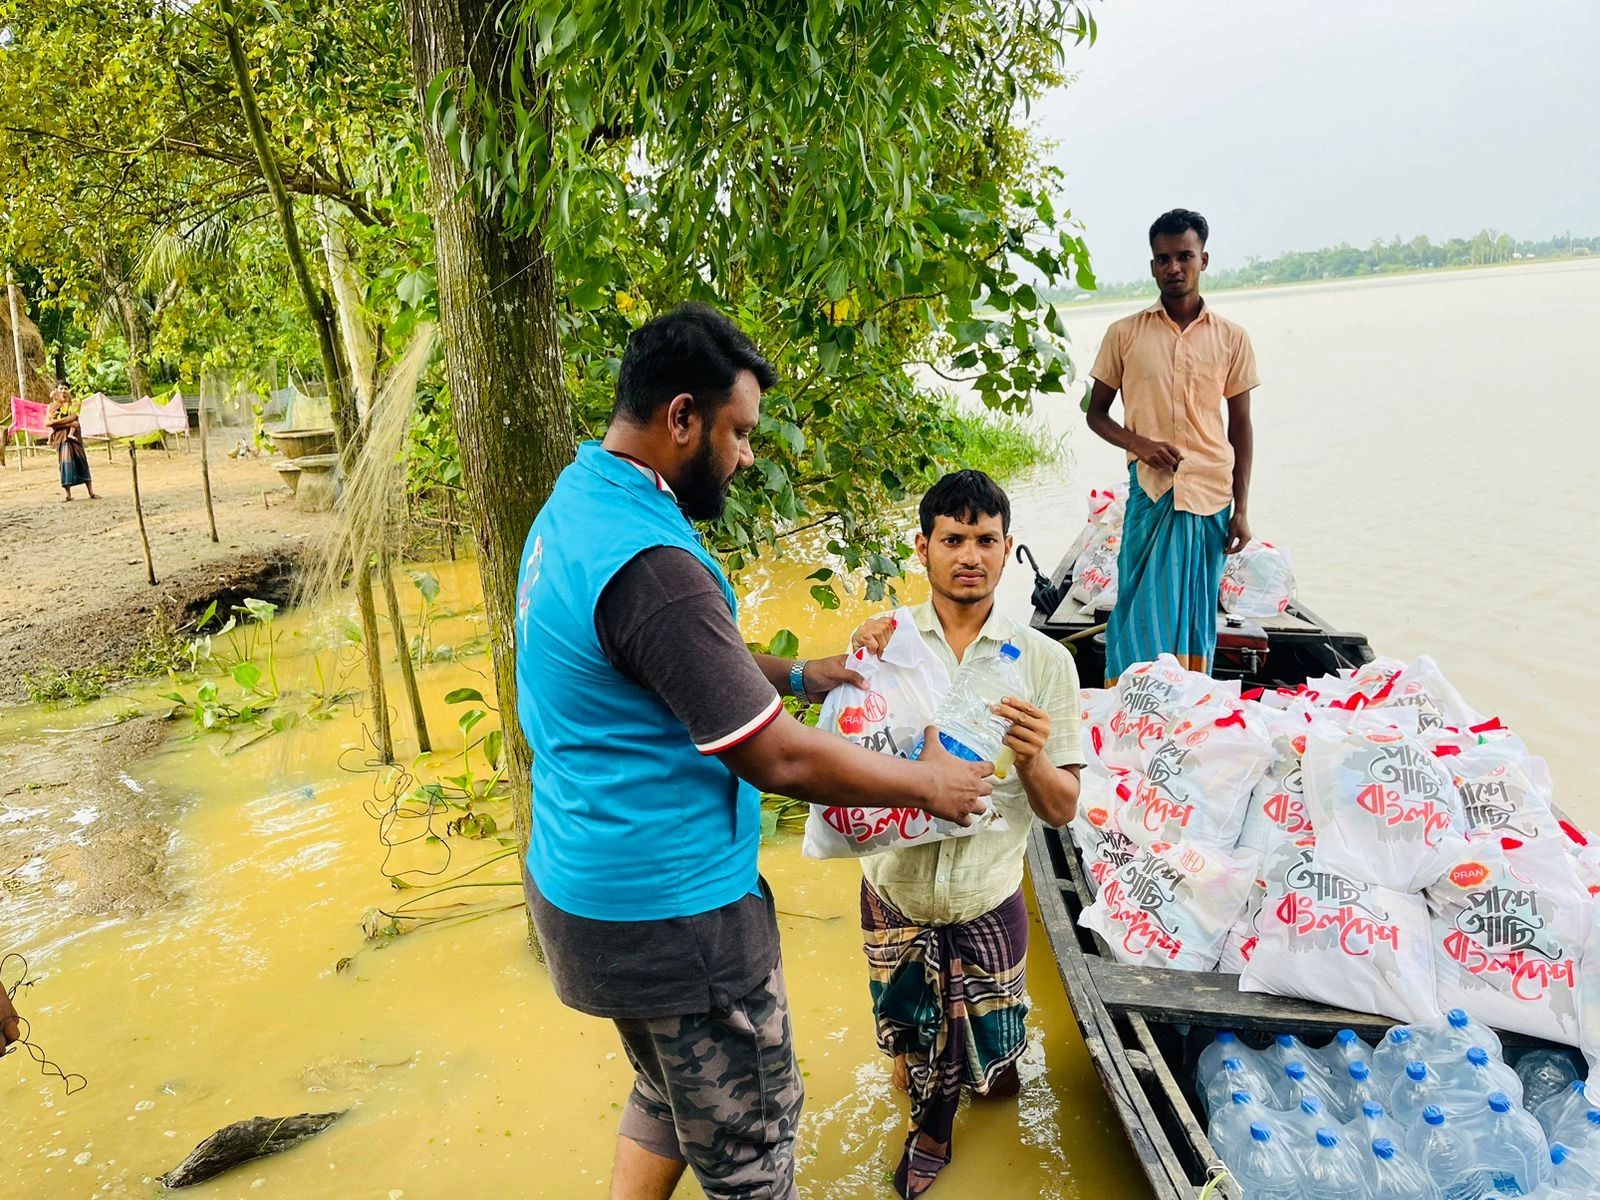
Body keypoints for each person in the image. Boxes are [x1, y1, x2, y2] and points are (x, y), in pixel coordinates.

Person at [514, 303, 996, 1200]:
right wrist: (928, 785)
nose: (744, 456)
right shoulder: (650, 562)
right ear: (683, 417)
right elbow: (779, 761)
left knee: (666, 1089)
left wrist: (805, 674)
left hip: (584, 893)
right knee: (754, 1144)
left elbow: (671, 659)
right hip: (675, 914)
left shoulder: (579, 500)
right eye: (737, 433)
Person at [845, 470, 1084, 1198]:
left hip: (988, 898)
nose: (969, 554)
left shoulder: (1046, 663)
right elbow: (848, 768)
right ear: (923, 548)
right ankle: (927, 1114)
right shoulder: (883, 647)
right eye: (953, 539)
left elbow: (1063, 808)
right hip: (896, 894)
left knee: (1001, 1077)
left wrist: (1033, 754)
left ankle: (961, 1092)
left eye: (986, 540)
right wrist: (855, 654)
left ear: (1009, 550)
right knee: (907, 1043)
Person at [1085, 208, 1258, 684]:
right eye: (1163, 259)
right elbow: (1094, 413)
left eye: (1185, 256)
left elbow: (1240, 428)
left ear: (1204, 259)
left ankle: (1188, 699)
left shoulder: (1231, 338)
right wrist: (1140, 444)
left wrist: (1242, 510)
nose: (1174, 268)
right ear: (1152, 265)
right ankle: (1132, 696)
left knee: (1196, 610)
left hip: (1210, 497)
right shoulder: (1125, 334)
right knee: (1138, 606)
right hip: (1152, 491)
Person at [46, 383, 99, 501]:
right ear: (56, 390)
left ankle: (91, 492)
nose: (63, 391)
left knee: (82, 462)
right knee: (65, 464)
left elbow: (73, 417)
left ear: (69, 390)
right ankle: (68, 494)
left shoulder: (75, 403)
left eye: (66, 388)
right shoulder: (52, 406)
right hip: (61, 438)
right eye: (61, 388)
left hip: (75, 437)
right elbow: (48, 423)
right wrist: (69, 424)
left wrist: (58, 422)